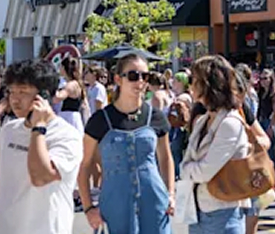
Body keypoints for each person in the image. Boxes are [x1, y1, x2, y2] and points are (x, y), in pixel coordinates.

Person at [0, 59, 84, 234]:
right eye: (11, 92)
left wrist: (38, 128)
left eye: (23, 92)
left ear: (44, 96)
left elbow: (41, 177)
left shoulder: (67, 135)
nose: (14, 99)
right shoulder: (9, 129)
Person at [79, 54, 174, 234]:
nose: (140, 81)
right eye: (133, 76)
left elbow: (165, 158)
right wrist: (88, 208)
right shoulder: (100, 120)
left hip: (154, 201)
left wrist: (170, 194)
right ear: (118, 79)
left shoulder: (155, 117)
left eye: (145, 76)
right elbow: (84, 165)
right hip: (115, 202)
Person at [180, 56, 252, 234]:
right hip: (198, 210)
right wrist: (187, 169)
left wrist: (187, 170)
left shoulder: (230, 123)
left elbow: (205, 171)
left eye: (193, 79)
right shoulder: (202, 121)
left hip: (223, 210)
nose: (190, 84)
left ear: (207, 84)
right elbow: (186, 162)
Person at [55, 57, 89, 131]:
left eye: (60, 66)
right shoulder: (75, 83)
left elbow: (57, 98)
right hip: (71, 117)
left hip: (69, 118)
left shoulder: (71, 85)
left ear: (64, 68)